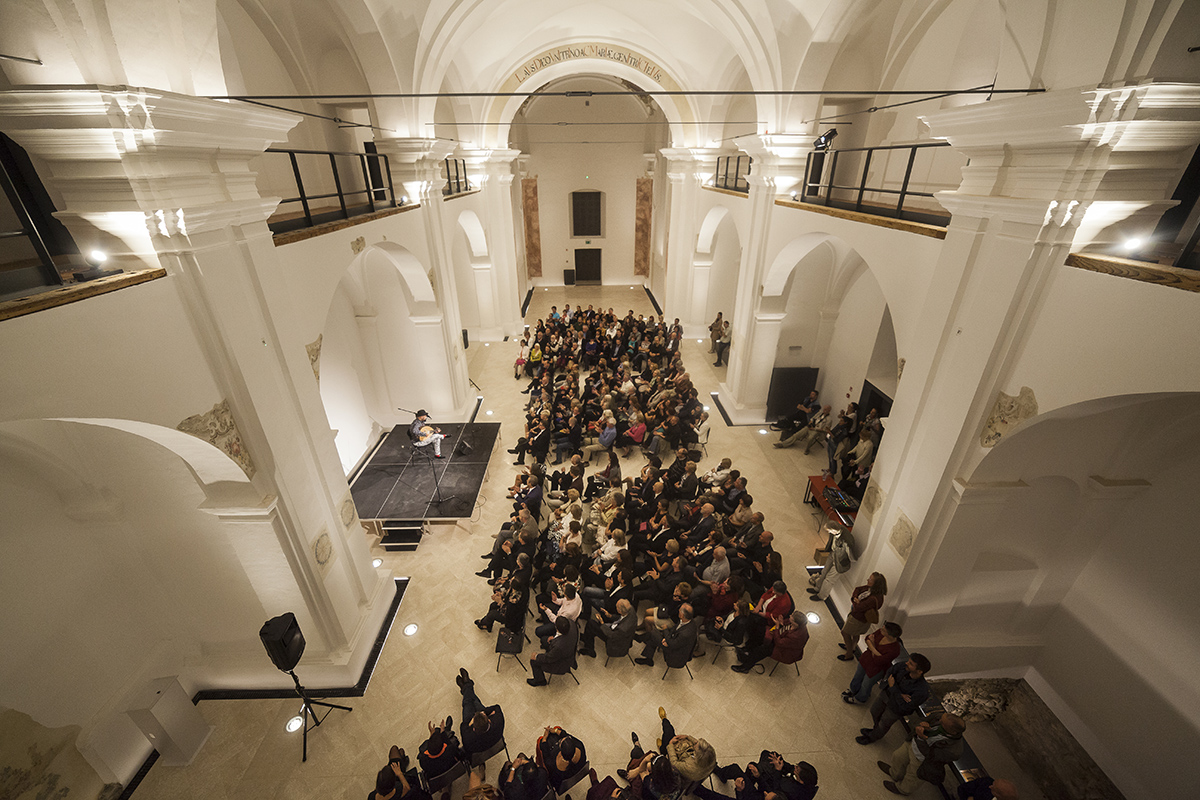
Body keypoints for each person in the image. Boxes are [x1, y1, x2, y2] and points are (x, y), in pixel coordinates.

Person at [882, 711, 966, 795]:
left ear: (953, 731)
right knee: (898, 757)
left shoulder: (955, 751)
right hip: (912, 743)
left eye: (943, 723)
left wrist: (921, 738)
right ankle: (894, 774)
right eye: (941, 719)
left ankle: (902, 790)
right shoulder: (940, 717)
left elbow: (930, 755)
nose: (939, 721)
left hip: (922, 760)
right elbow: (917, 721)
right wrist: (921, 724)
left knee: (912, 777)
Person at [856, 654, 932, 744]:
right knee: (874, 711)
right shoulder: (903, 667)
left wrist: (893, 687)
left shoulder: (921, 691)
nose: (906, 663)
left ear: (919, 671)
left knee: (884, 724)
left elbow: (905, 706)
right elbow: (890, 673)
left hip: (895, 708)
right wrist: (900, 694)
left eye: (911, 663)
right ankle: (875, 730)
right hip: (886, 695)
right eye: (908, 661)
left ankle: (872, 737)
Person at [731, 609, 809, 673]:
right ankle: (748, 651)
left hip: (785, 652)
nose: (790, 616)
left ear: (795, 623)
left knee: (761, 651)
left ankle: (745, 667)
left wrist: (777, 628)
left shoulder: (795, 636)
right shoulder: (799, 626)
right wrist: (781, 623)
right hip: (783, 642)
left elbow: (779, 643)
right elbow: (786, 624)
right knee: (760, 636)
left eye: (792, 617)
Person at [843, 621, 902, 704]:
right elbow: (867, 638)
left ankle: (860, 698)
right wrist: (876, 652)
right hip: (866, 659)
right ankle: (853, 689)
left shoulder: (895, 650)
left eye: (884, 630)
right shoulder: (881, 632)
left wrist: (872, 645)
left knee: (866, 684)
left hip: (876, 669)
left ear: (890, 635)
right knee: (857, 676)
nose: (881, 629)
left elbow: (879, 661)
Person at [455, 668, 504, 759]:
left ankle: (466, 687)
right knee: (474, 701)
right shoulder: (497, 721)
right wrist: (483, 712)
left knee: (467, 703)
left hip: (472, 725)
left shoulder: (469, 738)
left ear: (473, 728)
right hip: (493, 741)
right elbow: (497, 707)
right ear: (489, 720)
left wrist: (470, 722)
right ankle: (467, 686)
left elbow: (463, 726)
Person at [635, 603, 698, 668]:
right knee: (653, 637)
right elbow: (675, 629)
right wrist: (667, 638)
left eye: (679, 610)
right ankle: (648, 658)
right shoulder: (688, 620)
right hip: (673, 641)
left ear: (682, 615)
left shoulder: (685, 633)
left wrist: (666, 632)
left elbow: (673, 644)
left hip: (675, 653)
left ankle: (639, 639)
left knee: (653, 633)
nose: (678, 610)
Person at [839, 572, 886, 659]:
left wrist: (856, 601)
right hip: (861, 618)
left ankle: (849, 654)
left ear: (876, 584)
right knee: (856, 634)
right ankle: (852, 647)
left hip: (858, 619)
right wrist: (855, 599)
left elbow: (858, 608)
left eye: (870, 580)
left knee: (845, 632)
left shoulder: (873, 598)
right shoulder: (871, 590)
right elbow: (858, 589)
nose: (868, 580)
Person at [807, 525, 854, 601]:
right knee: (824, 571)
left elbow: (852, 557)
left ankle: (821, 596)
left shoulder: (847, 539)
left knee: (829, 580)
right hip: (833, 554)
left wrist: (842, 557)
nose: (828, 532)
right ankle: (817, 588)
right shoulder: (833, 534)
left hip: (840, 562)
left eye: (829, 531)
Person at [528, 616, 577, 686]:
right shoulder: (571, 623)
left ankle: (540, 681)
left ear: (557, 629)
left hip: (562, 662)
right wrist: (555, 638)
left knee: (534, 661)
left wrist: (536, 656)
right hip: (569, 648)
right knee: (544, 640)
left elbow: (549, 658)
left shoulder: (558, 647)